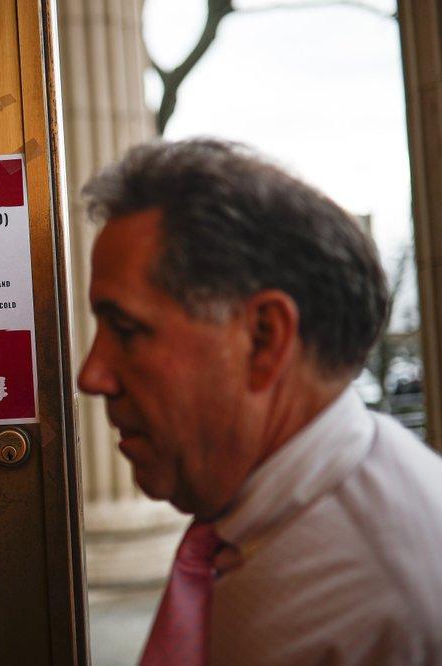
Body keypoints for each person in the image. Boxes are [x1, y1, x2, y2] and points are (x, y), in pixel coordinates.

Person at [78, 138, 442, 665]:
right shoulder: (268, 524)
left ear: (263, 338)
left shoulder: (384, 605)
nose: (92, 376)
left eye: (127, 330)